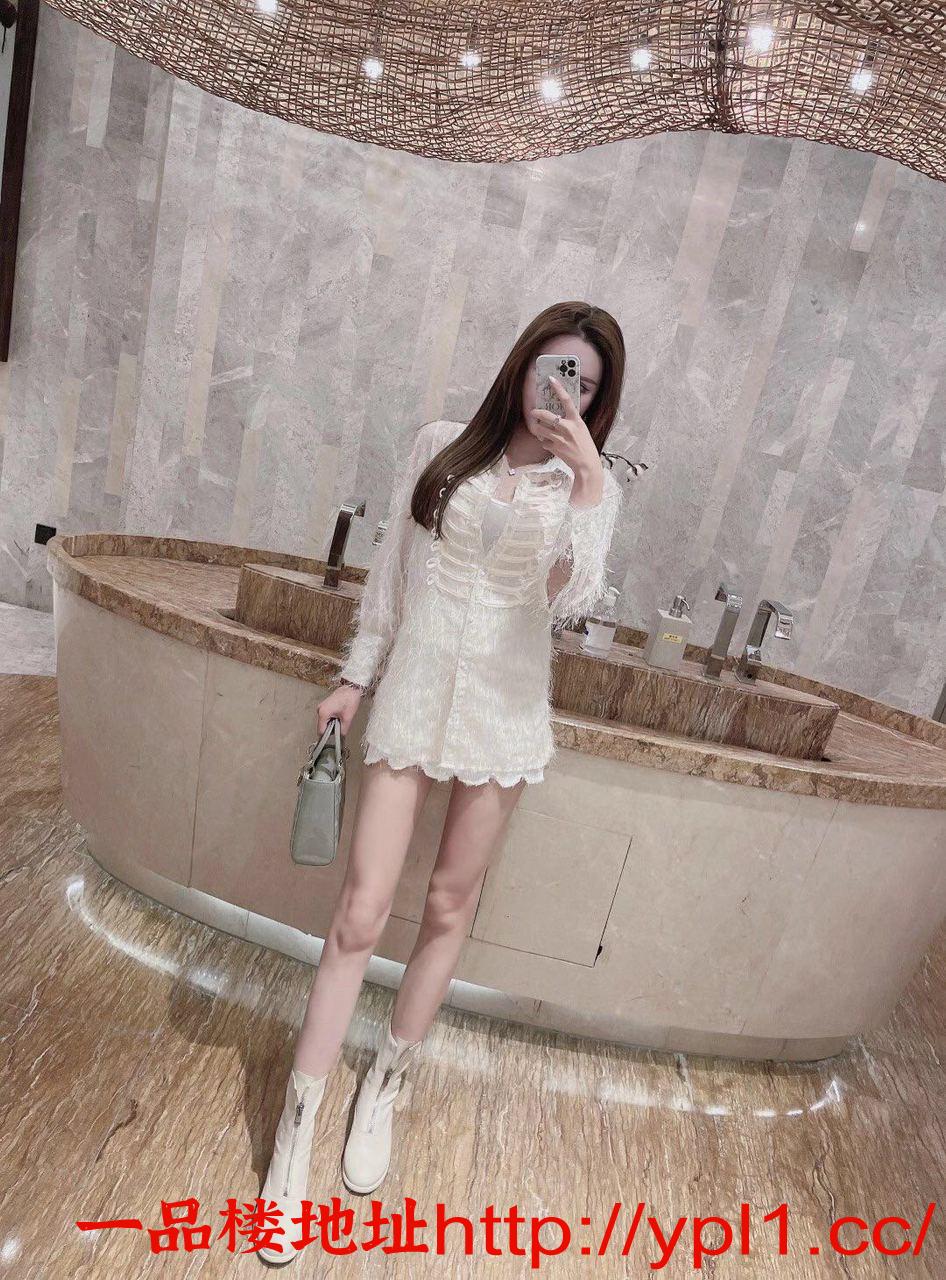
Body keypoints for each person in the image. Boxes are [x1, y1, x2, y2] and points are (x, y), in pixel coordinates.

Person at [257, 301, 628, 1264]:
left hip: (505, 712)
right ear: (523, 364)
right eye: (554, 369)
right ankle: (298, 1126)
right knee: (359, 912)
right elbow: (391, 577)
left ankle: (386, 1082)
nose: (563, 393)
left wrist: (588, 484)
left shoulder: (588, 487)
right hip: (416, 693)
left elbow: (576, 603)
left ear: (599, 399)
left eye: (584, 383)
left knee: (450, 906)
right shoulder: (443, 446)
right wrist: (354, 678)